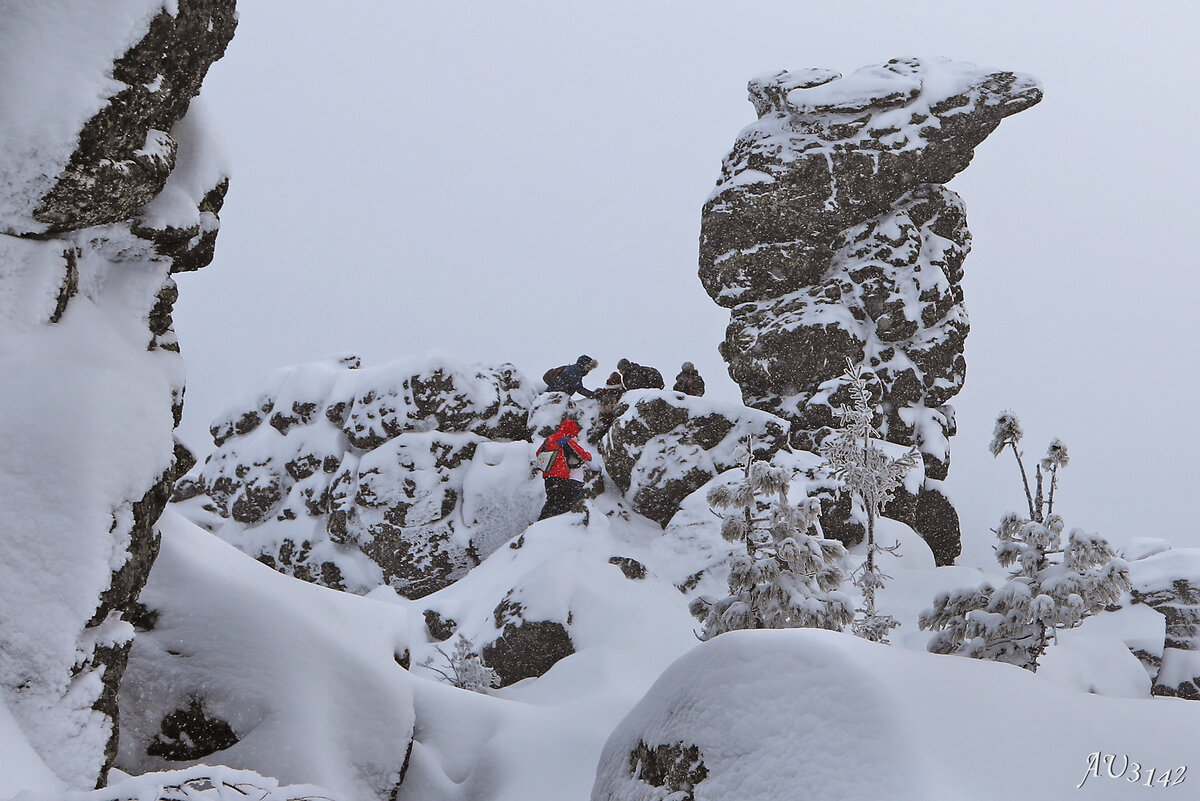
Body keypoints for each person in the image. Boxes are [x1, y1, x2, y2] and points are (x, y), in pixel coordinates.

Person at [536, 418, 592, 519]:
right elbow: (581, 453)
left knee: (552, 500)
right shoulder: (565, 439)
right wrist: (590, 457)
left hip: (548, 476)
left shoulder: (549, 439)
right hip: (561, 476)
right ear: (572, 432)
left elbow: (538, 453)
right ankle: (552, 524)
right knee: (563, 503)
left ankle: (541, 522)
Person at [592, 371, 626, 438]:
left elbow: (598, 392)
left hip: (605, 416)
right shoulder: (621, 392)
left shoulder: (605, 391)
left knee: (603, 430)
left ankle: (597, 438)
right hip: (615, 416)